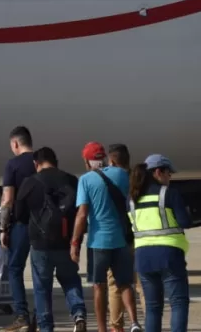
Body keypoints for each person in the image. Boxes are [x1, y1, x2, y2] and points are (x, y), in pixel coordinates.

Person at [14, 147, 87, 332]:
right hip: (66, 242)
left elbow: (19, 214)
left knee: (41, 287)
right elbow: (80, 211)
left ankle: (46, 327)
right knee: (70, 280)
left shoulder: (29, 182)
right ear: (56, 161)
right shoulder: (71, 180)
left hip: (40, 243)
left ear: (36, 163)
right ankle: (78, 315)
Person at [70, 142, 140, 332]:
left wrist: (75, 242)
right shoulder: (122, 175)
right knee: (125, 284)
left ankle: (102, 329)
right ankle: (134, 322)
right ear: (104, 159)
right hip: (121, 240)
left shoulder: (85, 180)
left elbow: (82, 214)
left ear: (87, 161)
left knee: (99, 287)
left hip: (98, 241)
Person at [128, 154, 192, 332]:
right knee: (178, 303)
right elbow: (185, 222)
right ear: (158, 172)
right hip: (169, 255)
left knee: (153, 307)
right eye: (168, 173)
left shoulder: (132, 199)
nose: (170, 177)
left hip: (143, 258)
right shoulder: (169, 194)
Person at [105, 144, 143, 332]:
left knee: (115, 284)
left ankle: (116, 326)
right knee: (141, 283)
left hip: (116, 238)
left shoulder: (105, 179)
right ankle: (148, 322)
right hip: (139, 236)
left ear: (111, 161)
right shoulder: (137, 179)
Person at [0, 126, 35, 332]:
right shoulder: (41, 161)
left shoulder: (12, 164)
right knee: (40, 272)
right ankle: (41, 316)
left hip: (21, 224)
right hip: (42, 225)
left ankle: (21, 315)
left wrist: (4, 228)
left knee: (15, 269)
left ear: (15, 143)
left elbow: (7, 199)